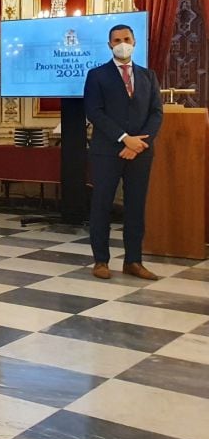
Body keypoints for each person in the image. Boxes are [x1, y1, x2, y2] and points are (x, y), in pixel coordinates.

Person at [84, 24, 164, 280]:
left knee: (136, 207)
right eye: (116, 40)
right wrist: (124, 139)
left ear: (134, 42)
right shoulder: (97, 75)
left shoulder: (148, 76)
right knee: (101, 205)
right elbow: (94, 112)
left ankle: (133, 261)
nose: (122, 43)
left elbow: (156, 113)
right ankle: (101, 261)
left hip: (140, 152)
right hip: (107, 152)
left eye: (126, 39)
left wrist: (140, 143)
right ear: (109, 45)